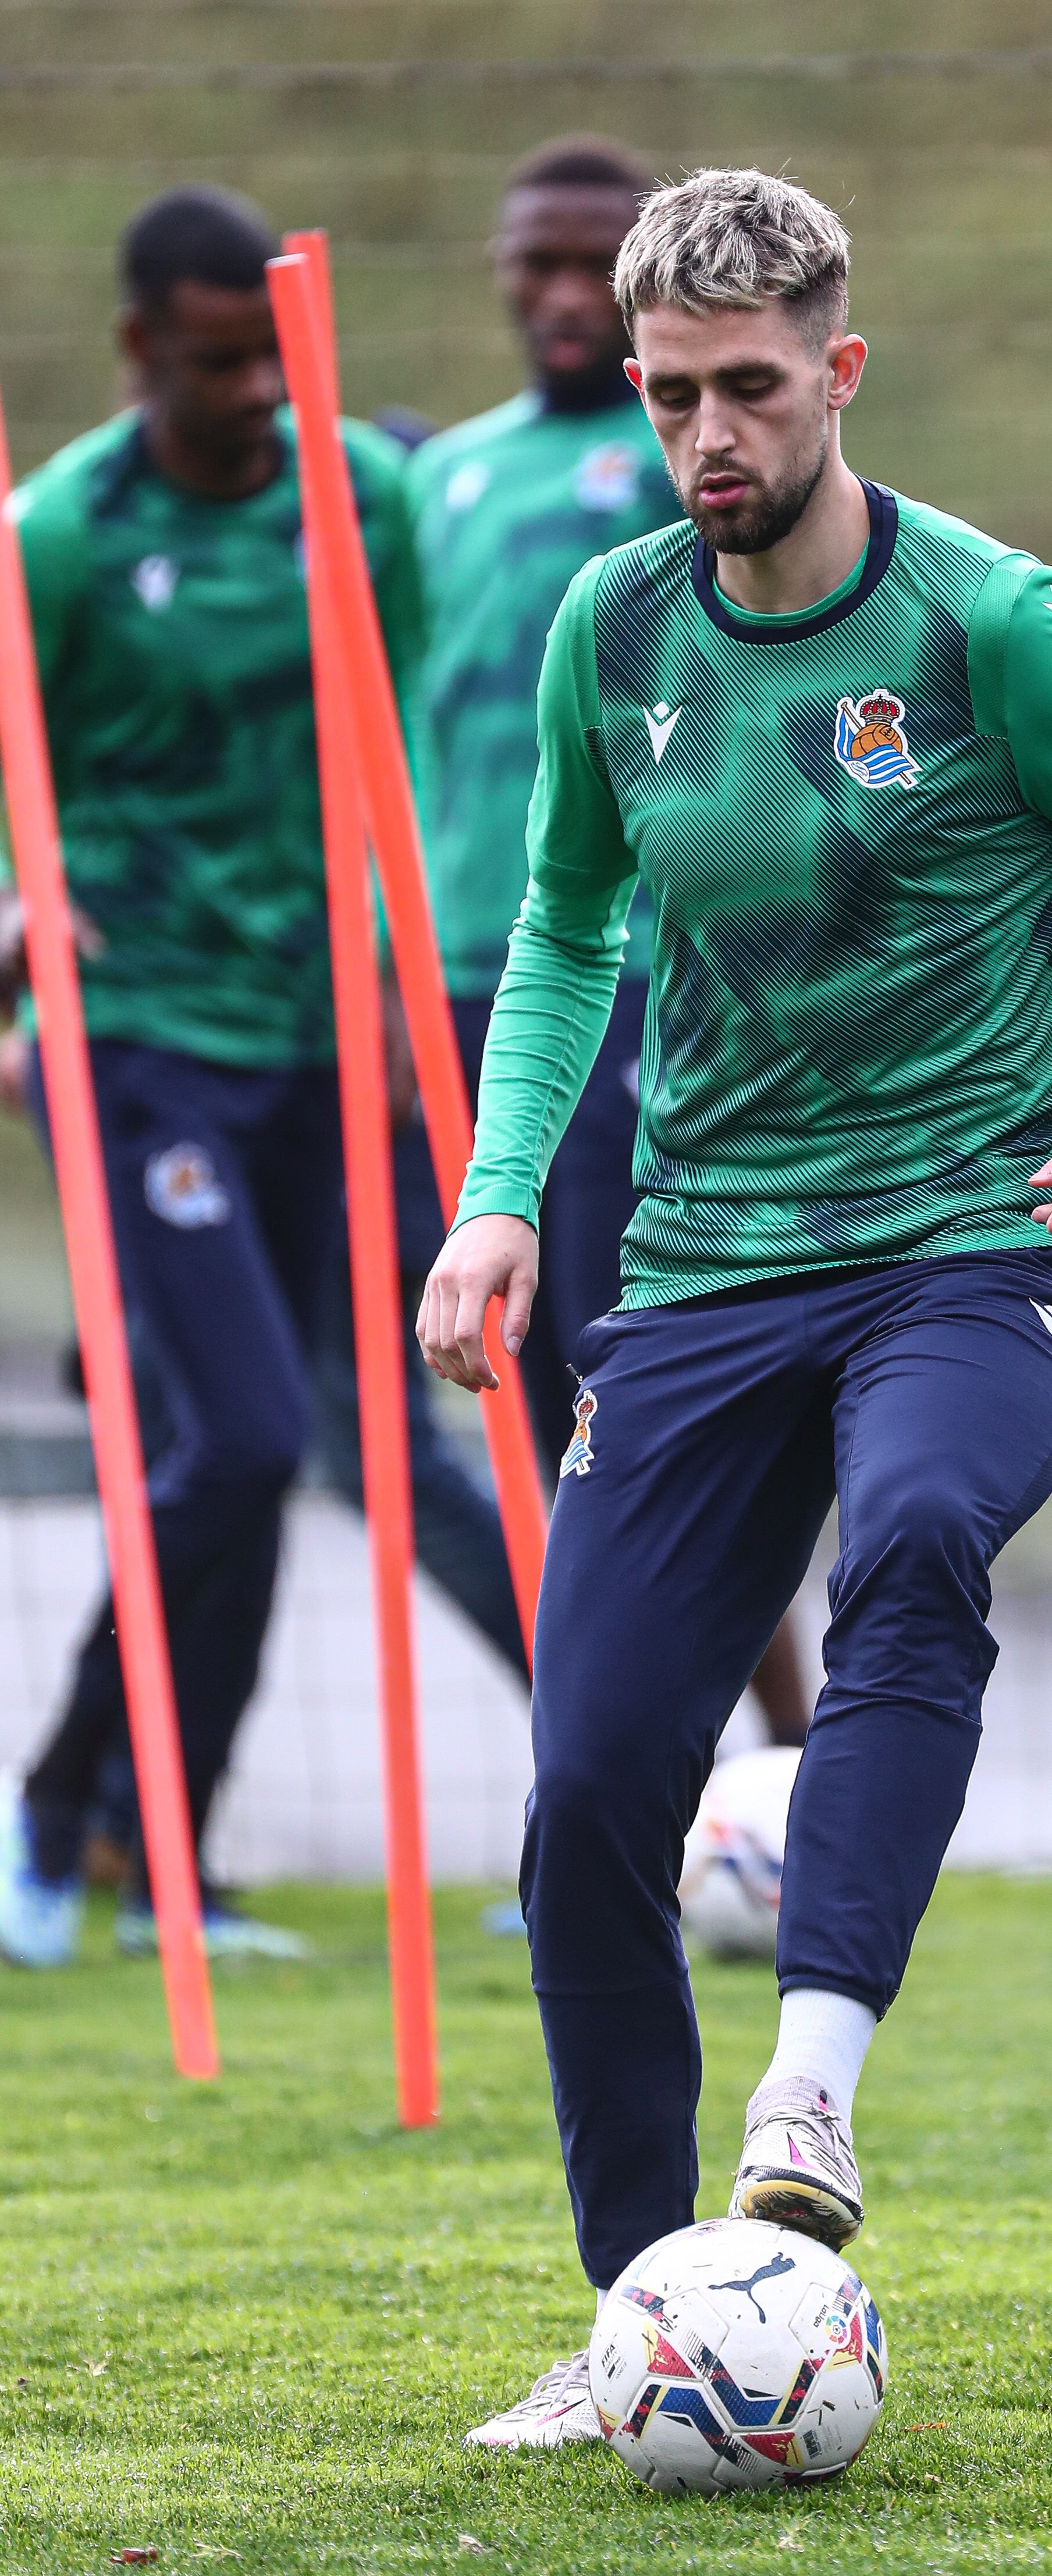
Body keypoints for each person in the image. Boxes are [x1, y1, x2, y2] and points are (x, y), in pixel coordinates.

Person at [418, 167, 1052, 2447]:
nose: (703, 434)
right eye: (667, 392)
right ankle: (643, 2325)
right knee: (589, 1780)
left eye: (746, 390)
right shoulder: (612, 627)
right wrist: (502, 1204)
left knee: (908, 1547)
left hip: (972, 1241)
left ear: (838, 373)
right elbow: (563, 929)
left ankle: (806, 2107)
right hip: (698, 1265)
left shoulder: (997, 625)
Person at [332, 135, 807, 1734]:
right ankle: (620, 1768)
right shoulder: (441, 478)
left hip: (641, 986)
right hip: (464, 978)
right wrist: (394, 972)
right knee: (505, 1383)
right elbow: (397, 724)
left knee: (649, 1373)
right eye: (524, 262)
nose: (548, 293)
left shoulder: (695, 471)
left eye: (578, 265)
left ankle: (793, 1755)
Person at [0, 184, 423, 1966]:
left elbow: (391, 743)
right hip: (138, 1039)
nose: (249, 390)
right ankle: (53, 1809)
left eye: (270, 355)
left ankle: (164, 1852)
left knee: (254, 1457)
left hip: (320, 1037)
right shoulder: (65, 535)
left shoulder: (365, 497)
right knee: (246, 1433)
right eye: (208, 361)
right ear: (137, 353)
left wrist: (409, 990)